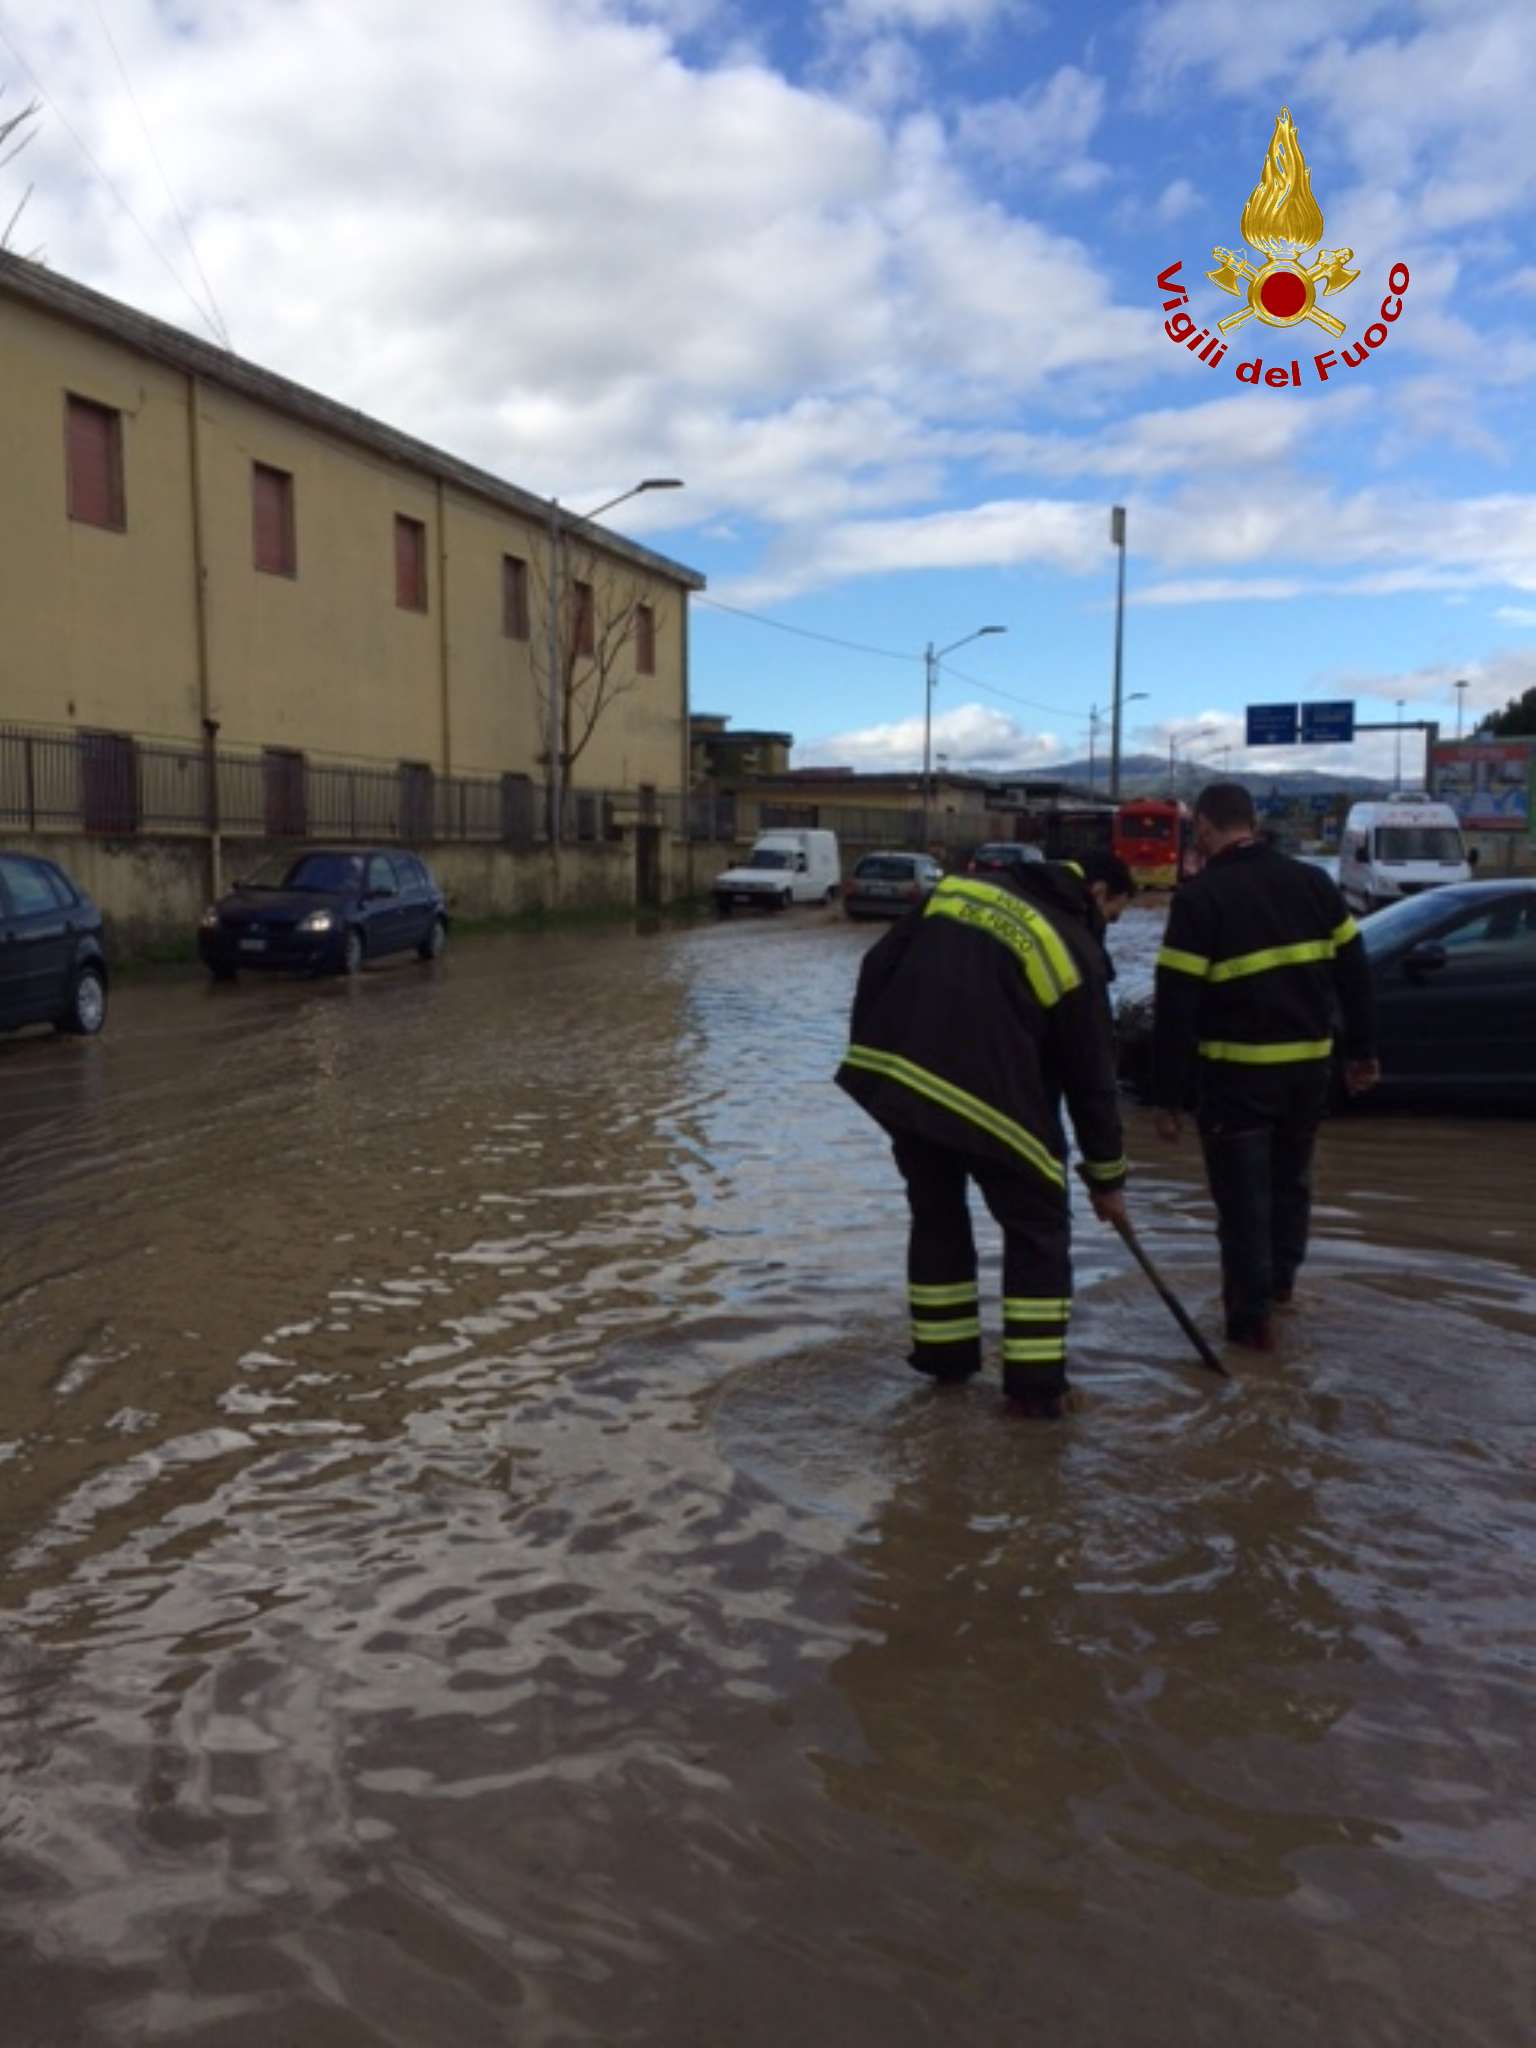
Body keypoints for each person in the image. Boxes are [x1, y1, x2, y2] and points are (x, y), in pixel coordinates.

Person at [836, 851, 1136, 1420]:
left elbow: (877, 965)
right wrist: (1107, 1178)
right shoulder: (1073, 948)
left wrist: (879, 1059)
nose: (1109, 932)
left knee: (937, 1216)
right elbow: (1092, 1080)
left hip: (900, 1084)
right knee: (1040, 1228)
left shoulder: (961, 890)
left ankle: (946, 1365)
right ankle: (1035, 1391)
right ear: (1097, 893)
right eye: (1114, 916)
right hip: (986, 1098)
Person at [1151, 783, 1379, 1350]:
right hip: (1308, 1074)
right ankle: (1281, 1292)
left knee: (1243, 1205)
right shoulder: (1313, 883)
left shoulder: (1201, 899)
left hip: (1236, 1080)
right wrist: (1361, 1052)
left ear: (1203, 828)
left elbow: (1176, 1005)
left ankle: (1250, 1331)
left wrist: (1169, 1096)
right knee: (1291, 1187)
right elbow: (1355, 974)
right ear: (1252, 822)